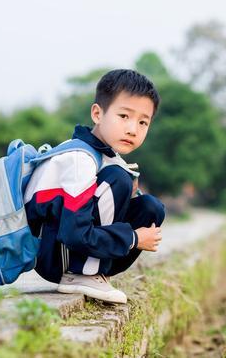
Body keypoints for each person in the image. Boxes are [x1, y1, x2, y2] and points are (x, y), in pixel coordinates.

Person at [23, 69, 165, 304]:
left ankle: (97, 272)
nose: (133, 129)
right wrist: (133, 238)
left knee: (151, 208)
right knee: (118, 179)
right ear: (98, 114)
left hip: (66, 243)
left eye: (143, 122)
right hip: (49, 251)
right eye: (124, 116)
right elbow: (74, 233)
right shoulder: (80, 158)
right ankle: (83, 273)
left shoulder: (109, 157)